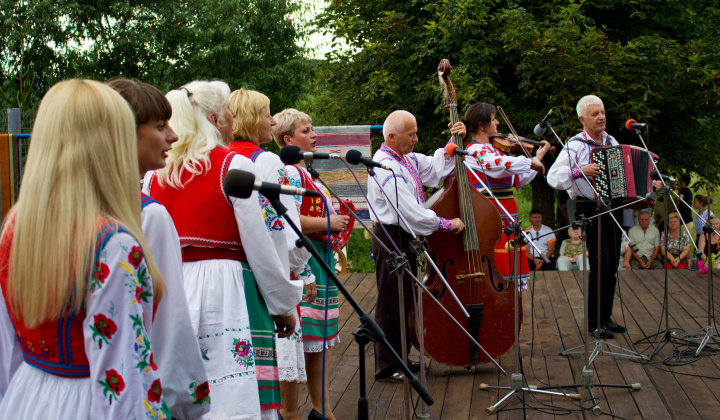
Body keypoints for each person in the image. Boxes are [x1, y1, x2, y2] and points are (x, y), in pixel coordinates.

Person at [0, 79, 167, 418]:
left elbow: (7, 347)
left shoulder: (18, 224)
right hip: (87, 401)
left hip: (26, 395)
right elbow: (120, 379)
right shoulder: (113, 243)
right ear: (111, 143)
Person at [143, 80, 302, 420]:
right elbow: (260, 246)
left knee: (182, 383)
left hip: (172, 288)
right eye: (228, 110)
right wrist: (283, 304)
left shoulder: (157, 174)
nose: (233, 115)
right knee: (232, 393)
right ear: (214, 119)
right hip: (227, 291)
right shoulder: (233, 166)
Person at [107, 78, 211, 418]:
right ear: (125, 132)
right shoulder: (147, 216)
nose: (173, 135)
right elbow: (169, 326)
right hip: (126, 397)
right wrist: (187, 401)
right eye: (160, 126)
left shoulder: (35, 216)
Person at [228, 91, 314, 420]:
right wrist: (297, 273)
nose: (272, 120)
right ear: (251, 118)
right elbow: (282, 229)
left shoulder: (221, 157)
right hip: (262, 277)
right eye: (266, 113)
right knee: (269, 365)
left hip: (231, 276)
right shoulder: (266, 161)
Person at [368, 110, 466, 382]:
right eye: (410, 135)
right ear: (391, 136)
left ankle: (399, 357)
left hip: (402, 236)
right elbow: (409, 213)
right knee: (391, 302)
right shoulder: (386, 167)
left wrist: (452, 141)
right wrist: (446, 224)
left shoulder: (404, 159)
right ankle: (387, 366)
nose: (416, 139)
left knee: (405, 299)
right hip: (392, 235)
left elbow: (434, 168)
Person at [272, 108, 347, 420]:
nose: (314, 135)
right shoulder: (288, 171)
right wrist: (329, 220)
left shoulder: (306, 171)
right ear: (288, 139)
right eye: (306, 130)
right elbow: (286, 216)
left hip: (320, 255)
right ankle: (291, 412)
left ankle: (322, 408)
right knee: (300, 337)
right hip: (304, 256)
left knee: (319, 341)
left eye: (313, 128)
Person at [547, 94, 625, 339]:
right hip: (589, 207)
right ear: (582, 119)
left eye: (602, 112)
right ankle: (593, 322)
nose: (601, 117)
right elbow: (552, 178)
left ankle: (606, 317)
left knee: (612, 265)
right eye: (595, 114)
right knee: (600, 265)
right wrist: (580, 171)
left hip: (613, 206)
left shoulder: (611, 141)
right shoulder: (576, 145)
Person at [462, 103, 550, 283]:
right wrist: (530, 162)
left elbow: (518, 178)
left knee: (510, 261)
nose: (497, 124)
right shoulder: (474, 150)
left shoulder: (494, 150)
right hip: (490, 212)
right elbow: (498, 164)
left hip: (507, 211)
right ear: (481, 125)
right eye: (493, 120)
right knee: (496, 262)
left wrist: (537, 158)